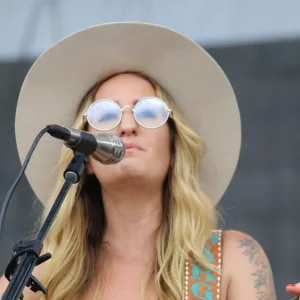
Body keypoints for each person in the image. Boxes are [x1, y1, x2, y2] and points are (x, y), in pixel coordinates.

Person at [0, 22, 288, 300]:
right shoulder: (39, 275)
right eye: (105, 115)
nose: (127, 126)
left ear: (174, 148)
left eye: (149, 112)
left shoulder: (230, 261)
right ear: (85, 159)